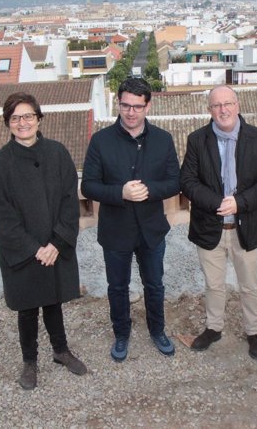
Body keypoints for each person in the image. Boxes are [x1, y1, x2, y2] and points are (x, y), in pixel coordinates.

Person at [0, 92, 87, 391]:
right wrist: (35, 248)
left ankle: (61, 350)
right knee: (28, 308)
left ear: (39, 118)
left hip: (55, 245)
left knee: (53, 300)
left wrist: (57, 243)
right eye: (15, 118)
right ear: (8, 123)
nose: (23, 122)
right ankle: (30, 361)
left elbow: (71, 201)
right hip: (24, 250)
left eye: (28, 116)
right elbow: (3, 216)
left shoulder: (57, 153)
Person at [80, 78, 180, 362]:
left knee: (155, 285)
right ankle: (121, 334)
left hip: (151, 229)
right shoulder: (100, 141)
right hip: (115, 230)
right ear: (118, 104)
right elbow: (88, 186)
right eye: (126, 105)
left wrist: (148, 190)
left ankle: (157, 330)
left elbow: (175, 182)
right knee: (117, 287)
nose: (131, 112)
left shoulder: (163, 139)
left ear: (148, 105)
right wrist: (120, 192)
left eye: (138, 106)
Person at [180, 85, 257, 360]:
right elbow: (187, 181)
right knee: (214, 285)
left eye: (227, 104)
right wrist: (216, 203)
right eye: (216, 105)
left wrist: (240, 202)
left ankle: (254, 331)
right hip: (209, 226)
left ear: (237, 105)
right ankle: (214, 327)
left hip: (246, 226)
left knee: (249, 285)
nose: (222, 110)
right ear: (209, 109)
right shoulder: (197, 140)